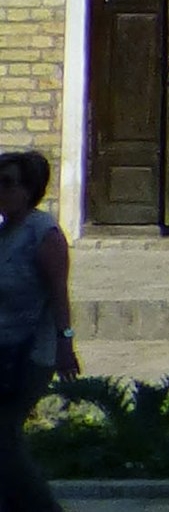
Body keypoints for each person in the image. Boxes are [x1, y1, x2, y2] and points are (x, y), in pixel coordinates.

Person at [0, 147, 71, 512]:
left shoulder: (43, 233)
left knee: (3, 436)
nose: (0, 190)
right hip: (3, 350)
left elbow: (59, 293)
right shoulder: (5, 232)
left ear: (29, 189)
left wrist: (65, 344)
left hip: (30, 355)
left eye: (8, 183)